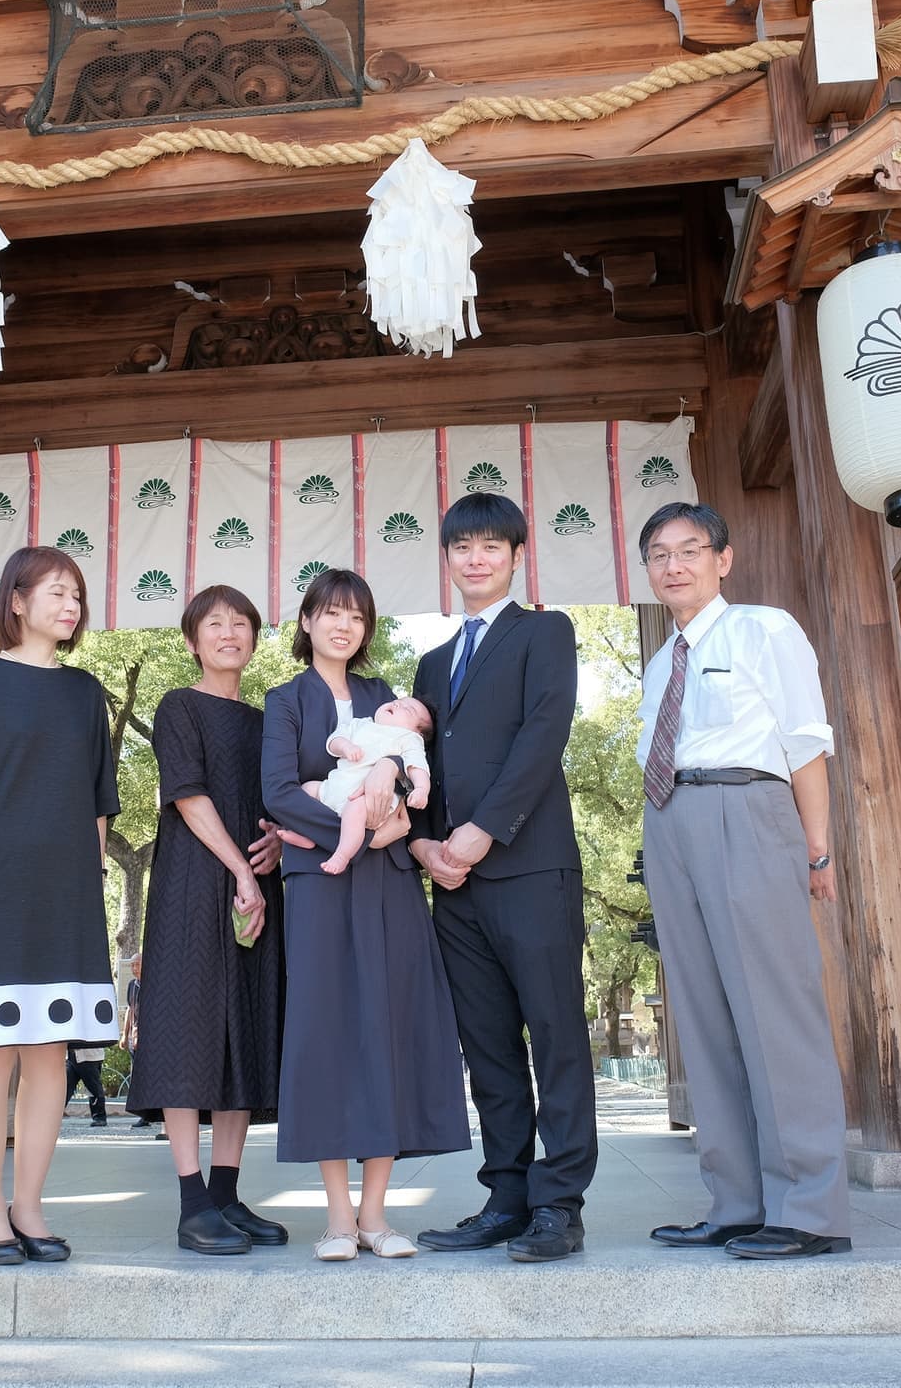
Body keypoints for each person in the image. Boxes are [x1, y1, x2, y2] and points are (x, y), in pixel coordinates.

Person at [635, 501, 850, 1261]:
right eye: (658, 554)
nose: (674, 565)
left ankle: (810, 1210)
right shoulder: (662, 660)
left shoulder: (765, 628)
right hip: (669, 822)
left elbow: (803, 740)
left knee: (773, 1007)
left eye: (690, 549)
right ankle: (735, 1201)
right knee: (703, 1016)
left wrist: (816, 850)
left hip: (749, 810)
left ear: (723, 558)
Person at [409, 492, 597, 1263]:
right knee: (486, 1046)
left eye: (492, 544)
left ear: (517, 555)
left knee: (554, 1037)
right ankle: (508, 1195)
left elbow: (542, 735)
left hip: (529, 867)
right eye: (462, 547)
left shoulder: (545, 632)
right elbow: (413, 767)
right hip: (452, 886)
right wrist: (423, 846)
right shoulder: (430, 662)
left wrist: (482, 834)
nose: (476, 557)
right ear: (447, 559)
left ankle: (560, 1204)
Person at [261, 569, 469, 1262]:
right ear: (307, 623)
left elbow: (418, 777)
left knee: (386, 1028)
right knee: (325, 1032)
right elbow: (279, 792)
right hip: (320, 882)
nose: (342, 625)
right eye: (329, 613)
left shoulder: (390, 699)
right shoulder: (285, 699)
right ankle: (338, 1218)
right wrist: (350, 834)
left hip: (390, 881)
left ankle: (377, 1215)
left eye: (355, 615)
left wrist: (387, 782)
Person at [0, 545, 119, 1266]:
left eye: (77, 595)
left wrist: (91, 879)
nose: (70, 606)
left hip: (67, 892)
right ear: (17, 600)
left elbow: (101, 803)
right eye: (55, 592)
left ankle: (29, 1208)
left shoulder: (84, 691)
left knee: (49, 1056)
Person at [125, 585, 288, 1255]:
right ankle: (193, 1202)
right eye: (214, 624)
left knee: (242, 1032)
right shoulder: (178, 707)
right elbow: (188, 798)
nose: (230, 633)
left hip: (256, 887)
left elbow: (282, 796)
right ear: (193, 640)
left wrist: (278, 839)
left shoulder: (267, 718)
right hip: (194, 886)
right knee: (190, 1030)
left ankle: (226, 1194)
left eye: (241, 623)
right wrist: (242, 870)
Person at [302, 694, 433, 874]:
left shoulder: (408, 738)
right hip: (334, 787)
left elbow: (417, 766)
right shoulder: (360, 724)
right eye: (399, 701)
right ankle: (303, 833)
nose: (397, 703)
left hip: (367, 799)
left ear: (417, 732)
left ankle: (342, 854)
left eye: (407, 709)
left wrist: (421, 789)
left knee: (355, 810)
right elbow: (334, 740)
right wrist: (346, 747)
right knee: (306, 789)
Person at [66, 1044, 108, 1126]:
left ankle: (100, 1117)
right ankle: (54, 1115)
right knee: (65, 1086)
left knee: (93, 1088)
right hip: (71, 1055)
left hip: (89, 1056)